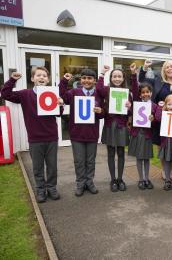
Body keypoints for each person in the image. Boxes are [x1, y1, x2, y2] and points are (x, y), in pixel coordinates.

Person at [1, 67, 64, 202]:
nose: (41, 78)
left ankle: (51, 187)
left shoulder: (52, 94)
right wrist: (12, 80)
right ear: (32, 78)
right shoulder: (25, 94)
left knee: (52, 166)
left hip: (51, 137)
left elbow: (58, 113)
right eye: (38, 75)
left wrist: (60, 104)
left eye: (44, 76)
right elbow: (5, 94)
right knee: (37, 166)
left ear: (48, 79)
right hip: (35, 138)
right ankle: (40, 189)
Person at [59, 69, 104, 197]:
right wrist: (64, 81)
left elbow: (102, 114)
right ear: (80, 80)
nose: (86, 80)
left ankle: (89, 182)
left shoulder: (98, 94)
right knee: (79, 161)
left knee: (90, 161)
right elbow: (61, 95)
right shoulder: (74, 92)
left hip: (92, 134)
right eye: (84, 78)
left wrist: (100, 111)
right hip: (77, 134)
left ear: (94, 81)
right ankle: (80, 183)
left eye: (90, 78)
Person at [97, 65, 132, 192]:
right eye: (114, 76)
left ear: (123, 78)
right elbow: (98, 89)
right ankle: (113, 179)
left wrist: (129, 107)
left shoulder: (127, 92)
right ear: (111, 78)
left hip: (121, 126)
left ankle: (120, 179)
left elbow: (130, 112)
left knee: (121, 153)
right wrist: (102, 74)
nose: (117, 78)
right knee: (111, 153)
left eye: (119, 76)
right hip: (110, 125)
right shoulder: (107, 90)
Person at [128, 82, 157, 190]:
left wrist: (153, 119)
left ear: (151, 93)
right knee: (139, 157)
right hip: (137, 134)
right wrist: (129, 107)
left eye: (147, 92)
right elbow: (130, 112)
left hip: (147, 135)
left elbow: (157, 120)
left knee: (146, 158)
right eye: (143, 92)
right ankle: (141, 179)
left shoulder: (154, 106)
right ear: (140, 94)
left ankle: (147, 178)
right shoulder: (136, 104)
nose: (145, 94)